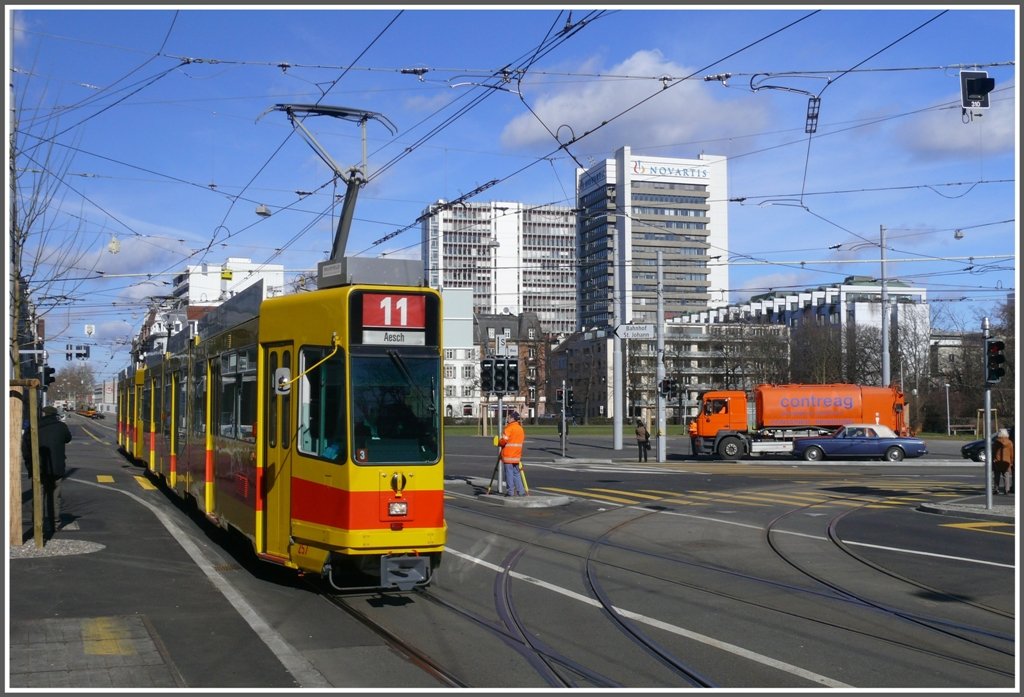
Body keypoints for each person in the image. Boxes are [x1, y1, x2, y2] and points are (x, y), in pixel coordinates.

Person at [22, 405, 73, 535]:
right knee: (55, 496)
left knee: (38, 496)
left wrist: (30, 465)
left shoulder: (34, 427)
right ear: (55, 415)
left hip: (38, 468)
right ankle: (54, 523)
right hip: (57, 468)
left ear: (42, 414)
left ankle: (38, 524)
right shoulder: (61, 426)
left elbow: (25, 448)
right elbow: (68, 438)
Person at [499, 410, 527, 496]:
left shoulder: (509, 428)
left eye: (509, 417)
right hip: (516, 455)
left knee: (509, 474)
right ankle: (521, 491)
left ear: (512, 419)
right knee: (516, 473)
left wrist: (499, 442)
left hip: (508, 454)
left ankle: (510, 491)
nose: (508, 418)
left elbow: (504, 440)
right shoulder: (520, 429)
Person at [992, 428, 1014, 495]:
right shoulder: (1009, 442)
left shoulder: (996, 442)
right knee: (1006, 476)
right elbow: (1011, 453)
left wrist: (993, 459)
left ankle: (996, 489)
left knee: (996, 476)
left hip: (997, 461)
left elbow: (993, 452)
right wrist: (1011, 461)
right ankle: (1006, 490)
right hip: (1006, 461)